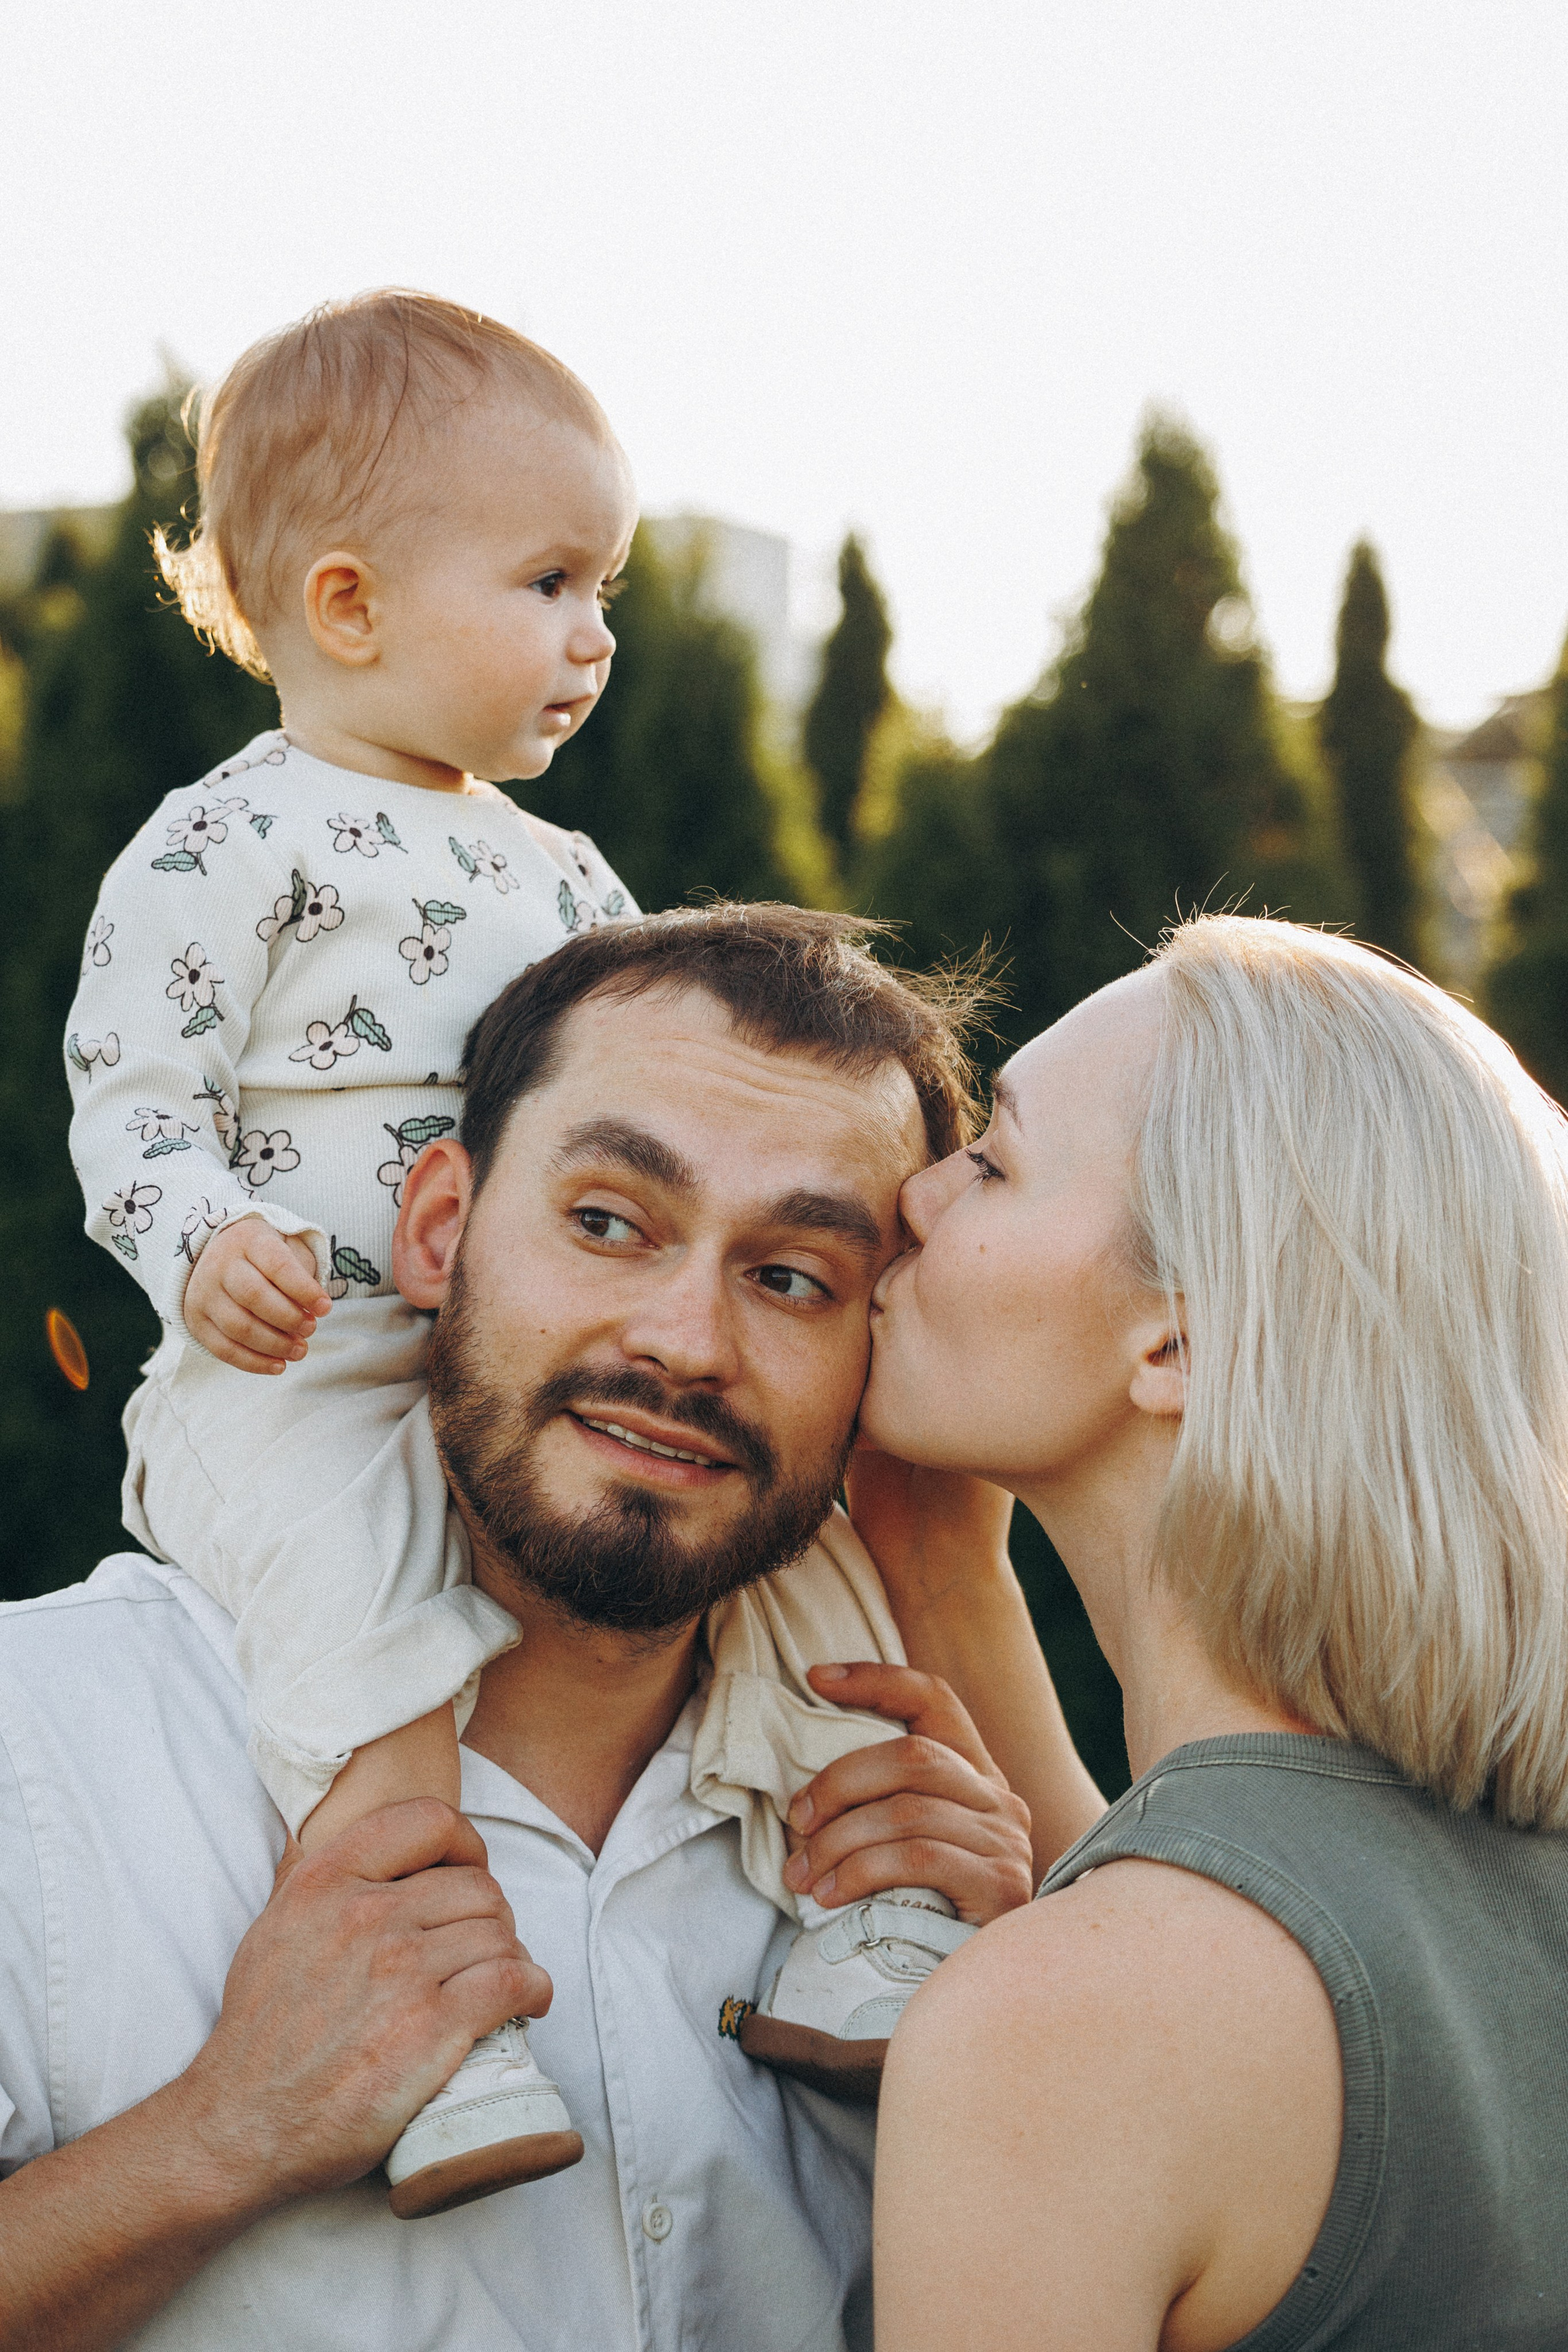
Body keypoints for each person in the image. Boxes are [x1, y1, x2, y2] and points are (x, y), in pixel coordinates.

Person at [62, 292, 971, 2211]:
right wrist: (203, 1235)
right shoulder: (224, 842)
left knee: (804, 1584)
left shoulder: (562, 877)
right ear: (350, 602)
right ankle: (430, 2011)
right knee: (356, 1620)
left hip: (475, 1346)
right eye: (552, 579)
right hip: (297, 1360)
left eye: (609, 587)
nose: (598, 634)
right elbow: (126, 1096)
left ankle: (864, 1920)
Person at [1, 903, 1084, 2350]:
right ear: (440, 1228)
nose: (685, 1343)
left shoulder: (924, 1884)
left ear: (870, 1347)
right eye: (606, 1224)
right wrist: (223, 2132)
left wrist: (1027, 2032)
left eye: (788, 1279)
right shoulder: (39, 1739)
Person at [866, 913, 1568, 2351]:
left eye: (992, 1159)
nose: (916, 1199)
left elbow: (1142, 1996)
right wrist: (944, 1581)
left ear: (1175, 1344)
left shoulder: (1076, 2029)